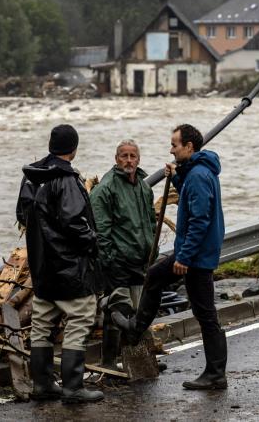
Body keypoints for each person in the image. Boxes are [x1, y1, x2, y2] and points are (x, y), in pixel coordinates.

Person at [113, 123, 227, 390]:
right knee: (193, 304)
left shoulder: (198, 176)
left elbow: (200, 220)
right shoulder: (199, 171)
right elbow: (190, 196)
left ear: (189, 147)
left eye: (175, 145)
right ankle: (215, 372)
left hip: (195, 255)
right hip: (197, 251)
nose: (171, 149)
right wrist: (176, 177)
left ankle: (215, 374)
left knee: (204, 313)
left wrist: (184, 257)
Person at [16, 124, 104, 404]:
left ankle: (43, 384)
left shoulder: (33, 177)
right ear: (74, 148)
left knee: (42, 324)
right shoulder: (65, 179)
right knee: (79, 320)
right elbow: (75, 222)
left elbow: (22, 214)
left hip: (43, 267)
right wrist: (93, 243)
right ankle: (73, 387)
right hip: (70, 268)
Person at [89, 139, 156, 368]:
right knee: (117, 310)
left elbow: (150, 221)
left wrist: (152, 250)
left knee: (139, 311)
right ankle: (109, 361)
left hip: (140, 260)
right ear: (116, 159)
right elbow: (100, 230)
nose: (128, 160)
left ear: (139, 159)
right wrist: (109, 261)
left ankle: (139, 358)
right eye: (124, 156)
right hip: (118, 260)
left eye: (133, 156)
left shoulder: (143, 186)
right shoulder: (105, 189)